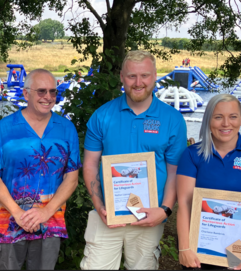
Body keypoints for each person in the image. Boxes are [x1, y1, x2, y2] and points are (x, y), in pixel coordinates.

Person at [80, 50, 188, 270]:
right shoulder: (102, 116)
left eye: (145, 76)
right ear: (121, 76)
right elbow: (90, 164)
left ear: (155, 76)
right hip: (107, 215)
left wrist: (165, 209)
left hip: (149, 216)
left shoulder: (173, 120)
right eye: (131, 76)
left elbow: (175, 171)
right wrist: (99, 205)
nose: (138, 83)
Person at [0, 69, 81, 270]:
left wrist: (46, 212)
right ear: (26, 94)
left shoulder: (66, 129)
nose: (48, 97)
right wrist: (17, 212)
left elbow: (71, 179)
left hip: (50, 222)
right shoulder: (4, 128)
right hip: (9, 220)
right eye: (41, 91)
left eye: (53, 92)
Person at [177, 94, 241, 270]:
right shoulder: (192, 154)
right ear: (208, 120)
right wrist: (184, 247)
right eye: (218, 117)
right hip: (198, 248)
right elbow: (185, 203)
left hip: (239, 251)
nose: (226, 124)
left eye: (233, 116)